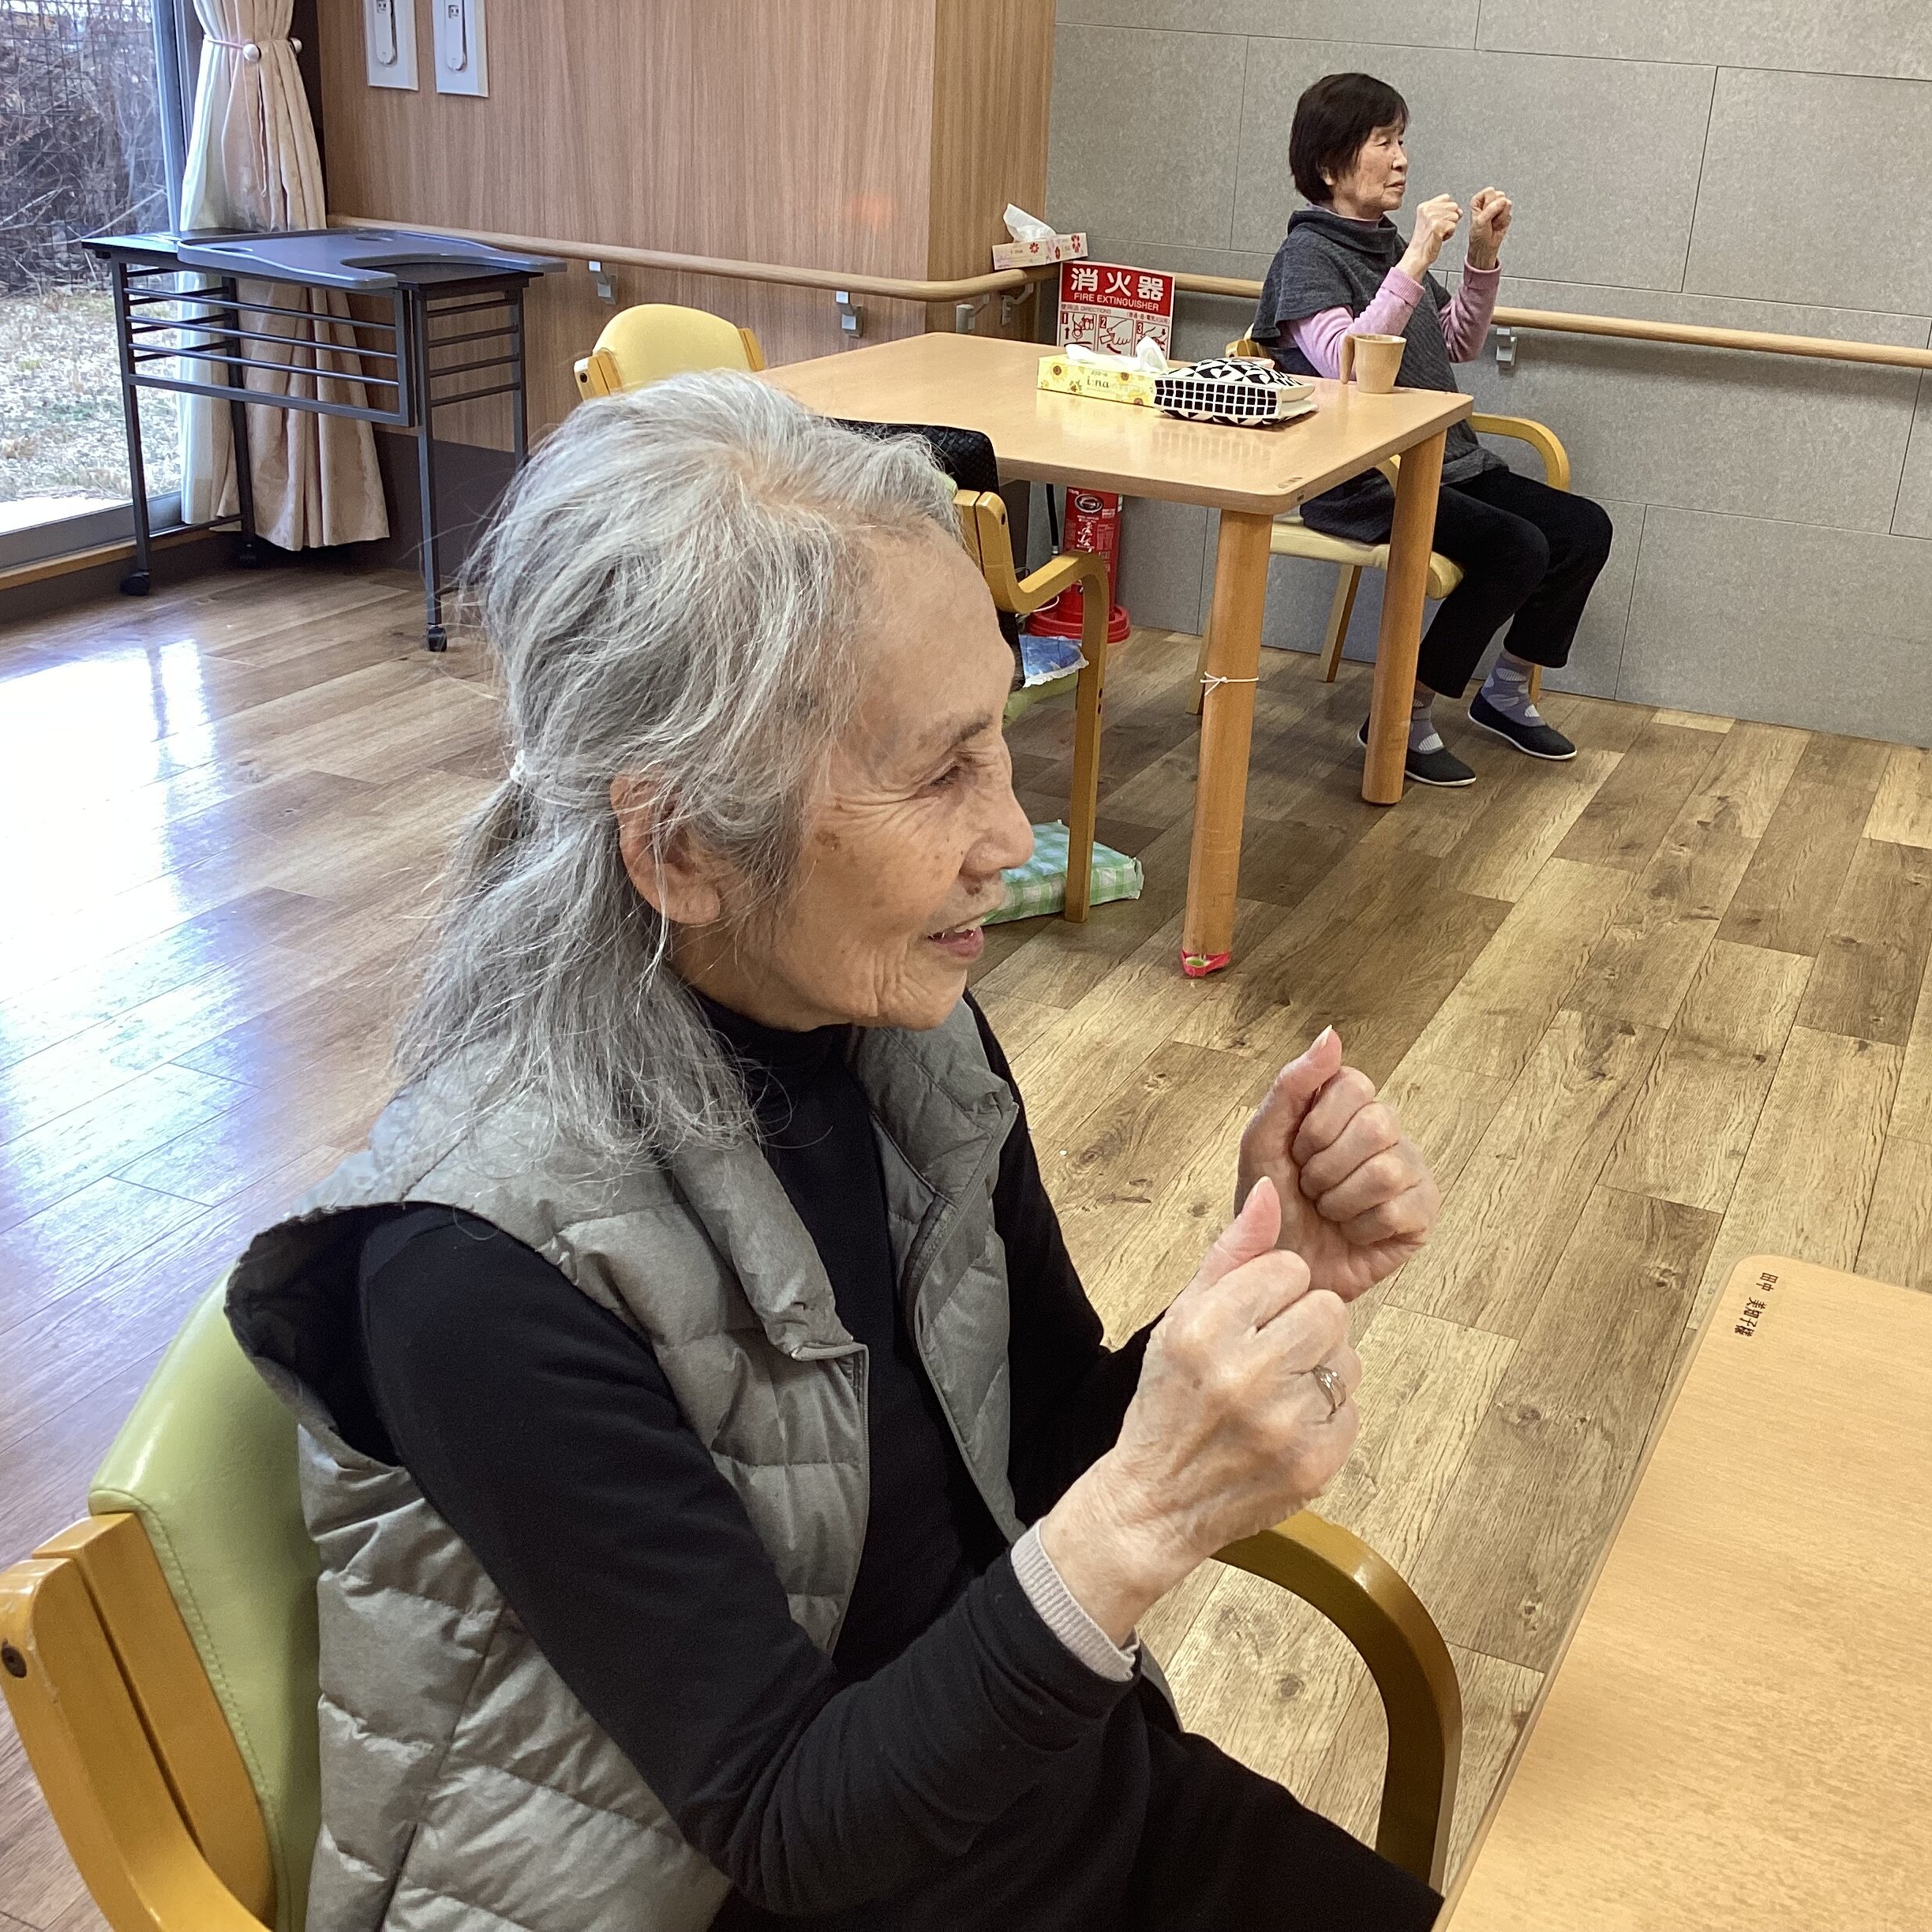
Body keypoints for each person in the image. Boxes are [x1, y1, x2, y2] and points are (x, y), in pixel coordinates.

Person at [227, 375, 1447, 1931]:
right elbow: (787, 1830)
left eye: (996, 735)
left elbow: (1033, 1450)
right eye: (940, 773)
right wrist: (1143, 1516)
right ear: (681, 848)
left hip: (1030, 1791)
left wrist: (1263, 1275)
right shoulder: (473, 1271)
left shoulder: (902, 1034)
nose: (1009, 838)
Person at [1253, 70, 1616, 788]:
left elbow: (1455, 342)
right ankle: (1401, 713)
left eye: (1401, 141)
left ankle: (1503, 694)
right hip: (1362, 482)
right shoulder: (1307, 258)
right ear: (1329, 164)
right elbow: (1350, 365)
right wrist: (1417, 256)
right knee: (1517, 547)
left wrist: (1480, 257)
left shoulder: (1383, 245)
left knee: (1584, 529)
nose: (1402, 159)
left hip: (1443, 462)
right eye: (1383, 142)